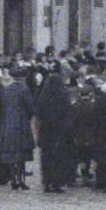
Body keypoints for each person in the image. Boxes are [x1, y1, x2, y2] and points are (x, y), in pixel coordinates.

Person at [34, 63, 75, 193]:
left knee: (46, 156)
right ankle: (57, 182)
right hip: (60, 131)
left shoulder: (44, 96)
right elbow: (68, 112)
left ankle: (47, 182)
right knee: (59, 157)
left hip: (46, 130)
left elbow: (38, 114)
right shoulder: (63, 95)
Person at [0, 66, 36, 191]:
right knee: (22, 154)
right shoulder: (24, 89)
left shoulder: (6, 90)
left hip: (8, 123)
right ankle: (21, 179)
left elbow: (2, 106)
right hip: (21, 123)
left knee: (11, 153)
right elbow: (30, 108)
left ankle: (13, 178)